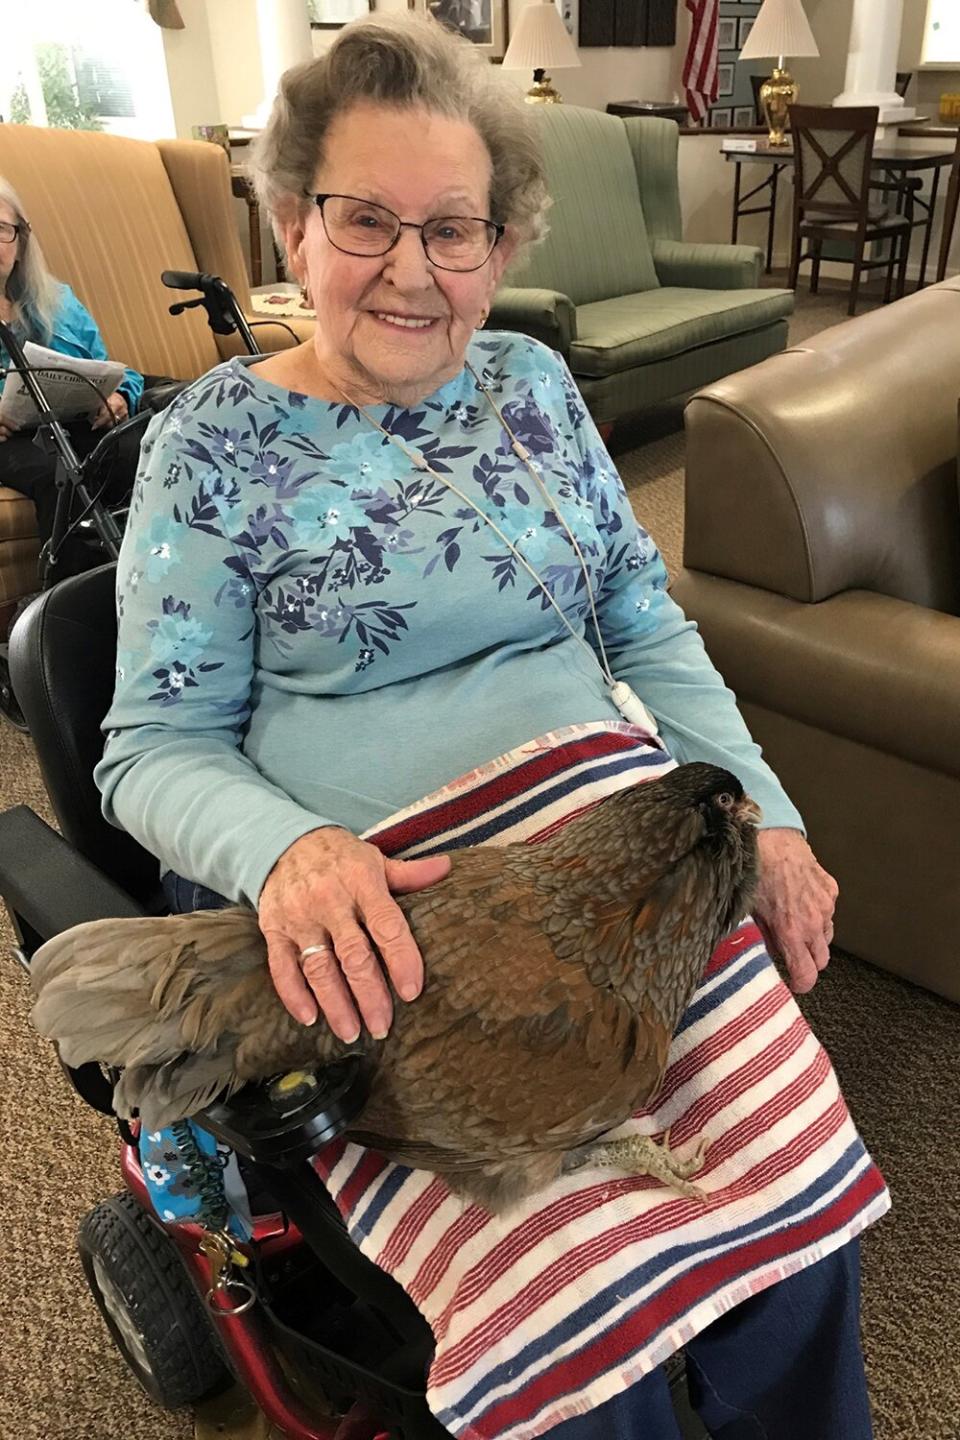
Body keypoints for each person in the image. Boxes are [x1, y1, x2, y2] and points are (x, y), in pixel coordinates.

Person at [95, 16, 885, 1439]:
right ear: (292, 220)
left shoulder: (533, 390)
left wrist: (766, 818)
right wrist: (293, 856)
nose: (412, 270)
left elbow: (646, 630)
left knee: (800, 1205)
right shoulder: (208, 447)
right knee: (573, 1318)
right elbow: (148, 747)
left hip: (621, 867)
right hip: (390, 914)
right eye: (365, 220)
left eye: (454, 228)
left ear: (507, 244)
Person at [0, 179, 143, 578]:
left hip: (72, 423)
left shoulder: (57, 300)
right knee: (59, 476)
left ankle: (147, 582)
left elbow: (110, 369)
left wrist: (115, 398)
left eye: (1, 229)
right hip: (10, 440)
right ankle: (70, 610)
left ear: (21, 240)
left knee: (129, 447)